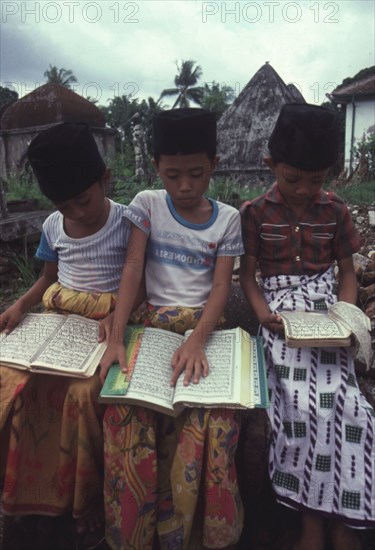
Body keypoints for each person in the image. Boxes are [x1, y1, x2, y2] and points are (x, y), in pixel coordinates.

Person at [100, 108, 245, 549]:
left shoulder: (228, 219)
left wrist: (199, 339)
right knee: (126, 410)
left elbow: (221, 286)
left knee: (215, 419)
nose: (184, 187)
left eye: (197, 174)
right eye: (172, 175)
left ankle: (195, 534)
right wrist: (118, 330)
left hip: (202, 329)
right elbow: (133, 265)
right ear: (157, 167)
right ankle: (134, 535)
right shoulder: (147, 204)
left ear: (214, 166)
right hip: (153, 326)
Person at [0, 122, 144, 544]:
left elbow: (142, 281)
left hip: (111, 320)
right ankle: (30, 498)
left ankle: (84, 501)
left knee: (82, 395)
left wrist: (119, 315)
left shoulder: (128, 221)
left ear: (105, 179)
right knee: (17, 385)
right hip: (60, 317)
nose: (78, 213)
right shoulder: (53, 227)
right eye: (66, 206)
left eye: (84, 200)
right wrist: (20, 305)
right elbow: (48, 278)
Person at [240, 103, 375, 550]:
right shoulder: (254, 213)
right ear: (270, 165)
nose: (303, 190)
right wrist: (263, 315)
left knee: (351, 406)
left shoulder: (336, 211)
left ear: (330, 174)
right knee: (298, 405)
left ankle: (346, 520)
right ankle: (313, 521)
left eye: (315, 180)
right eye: (292, 178)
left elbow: (347, 273)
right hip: (280, 316)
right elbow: (248, 276)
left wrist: (346, 316)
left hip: (326, 311)